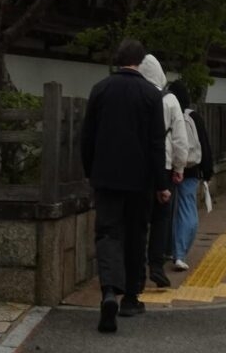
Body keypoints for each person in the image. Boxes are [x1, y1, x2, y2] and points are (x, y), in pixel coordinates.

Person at [80, 38, 171, 334]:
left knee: (107, 233)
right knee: (136, 233)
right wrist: (162, 183)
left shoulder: (100, 90)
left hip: (106, 176)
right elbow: (158, 144)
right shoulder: (150, 94)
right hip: (140, 179)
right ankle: (131, 297)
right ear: (141, 62)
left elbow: (87, 137)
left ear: (118, 60)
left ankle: (108, 291)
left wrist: (90, 170)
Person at [138, 53, 189, 289]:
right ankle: (156, 266)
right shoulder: (170, 100)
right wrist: (179, 167)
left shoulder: (135, 96)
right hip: (165, 166)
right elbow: (180, 138)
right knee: (161, 219)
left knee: (137, 220)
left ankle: (135, 269)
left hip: (136, 167)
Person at [167, 79, 214, 271]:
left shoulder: (168, 115)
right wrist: (208, 171)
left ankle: (168, 250)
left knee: (168, 212)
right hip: (191, 169)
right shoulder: (194, 116)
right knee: (188, 211)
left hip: (168, 170)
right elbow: (204, 144)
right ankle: (179, 253)